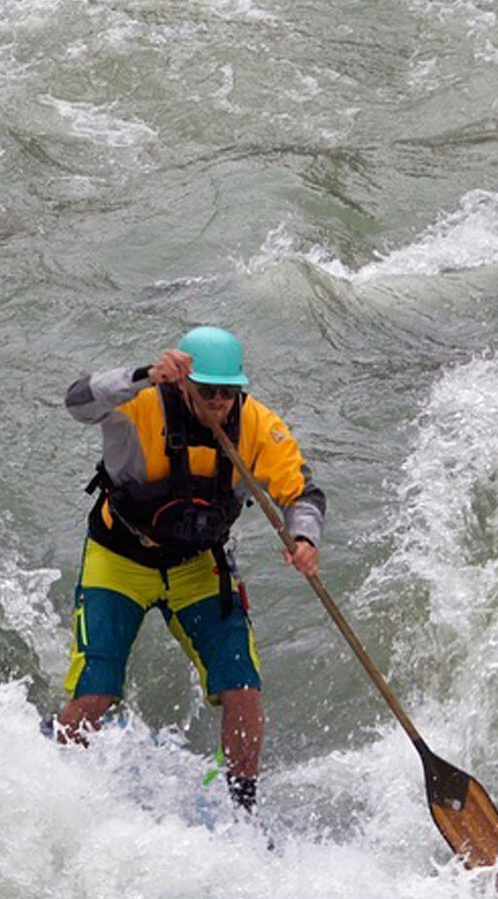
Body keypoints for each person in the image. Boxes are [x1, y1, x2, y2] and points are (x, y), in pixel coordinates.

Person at [56, 326, 325, 816]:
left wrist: (304, 538)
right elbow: (77, 401)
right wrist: (143, 374)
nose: (218, 402)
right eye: (207, 391)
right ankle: (55, 790)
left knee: (242, 688)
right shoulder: (141, 402)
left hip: (198, 567)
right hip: (120, 561)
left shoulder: (258, 426)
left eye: (228, 393)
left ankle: (241, 809)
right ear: (183, 384)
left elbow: (302, 493)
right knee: (96, 692)